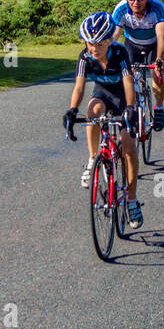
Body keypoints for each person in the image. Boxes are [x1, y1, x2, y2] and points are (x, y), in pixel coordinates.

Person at [64, 12, 143, 228]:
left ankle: (132, 201)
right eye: (90, 43)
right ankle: (92, 159)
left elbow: (127, 81)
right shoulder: (84, 57)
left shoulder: (120, 52)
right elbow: (79, 86)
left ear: (109, 40)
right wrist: (72, 110)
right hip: (103, 93)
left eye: (99, 43)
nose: (93, 48)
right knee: (92, 110)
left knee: (128, 147)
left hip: (123, 95)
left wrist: (129, 109)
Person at [109, 0, 164, 131]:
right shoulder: (121, 9)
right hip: (132, 44)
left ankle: (159, 108)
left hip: (154, 44)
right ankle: (133, 109)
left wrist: (159, 60)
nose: (136, 2)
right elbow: (114, 36)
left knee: (158, 74)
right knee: (129, 78)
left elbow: (162, 37)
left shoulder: (157, 8)